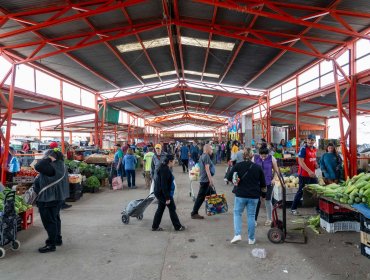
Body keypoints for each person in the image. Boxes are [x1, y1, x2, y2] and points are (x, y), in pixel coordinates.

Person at [227, 148, 266, 245]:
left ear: (243, 156)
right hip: (254, 196)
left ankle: (237, 235)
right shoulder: (258, 167)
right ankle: (251, 239)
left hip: (241, 195)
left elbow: (228, 177)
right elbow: (263, 184)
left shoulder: (237, 166)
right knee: (251, 216)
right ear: (253, 156)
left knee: (237, 213)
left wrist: (235, 180)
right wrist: (263, 195)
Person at [34, 149, 69, 253]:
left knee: (49, 221)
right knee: (55, 218)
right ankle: (57, 239)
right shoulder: (61, 165)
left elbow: (38, 166)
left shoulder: (52, 167)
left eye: (46, 156)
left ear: (51, 157)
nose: (43, 157)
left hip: (49, 198)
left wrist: (48, 159)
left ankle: (51, 244)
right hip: (57, 197)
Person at [152, 154, 185, 231]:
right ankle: (178, 226)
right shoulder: (165, 170)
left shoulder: (164, 167)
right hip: (162, 193)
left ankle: (155, 226)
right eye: (174, 161)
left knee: (160, 209)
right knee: (172, 208)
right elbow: (164, 185)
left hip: (160, 192)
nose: (175, 162)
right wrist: (167, 198)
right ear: (170, 161)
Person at [291, 134, 318, 215]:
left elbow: (313, 159)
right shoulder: (303, 149)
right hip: (304, 174)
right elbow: (301, 162)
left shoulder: (314, 149)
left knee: (317, 189)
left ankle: (318, 208)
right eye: (309, 139)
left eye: (312, 139)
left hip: (312, 174)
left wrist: (316, 164)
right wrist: (309, 171)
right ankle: (293, 208)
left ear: (314, 141)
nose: (310, 141)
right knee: (301, 191)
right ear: (307, 140)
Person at [253, 145, 279, 226]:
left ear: (268, 154)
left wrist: (274, 179)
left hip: (268, 183)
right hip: (257, 183)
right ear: (259, 154)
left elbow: (276, 170)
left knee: (268, 201)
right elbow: (251, 170)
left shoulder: (272, 158)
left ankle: (269, 219)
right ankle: (254, 220)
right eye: (262, 156)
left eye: (265, 156)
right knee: (256, 201)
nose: (263, 158)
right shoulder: (255, 158)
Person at [191, 144, 215, 219]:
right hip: (205, 181)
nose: (212, 150)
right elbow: (207, 169)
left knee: (212, 193)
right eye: (211, 149)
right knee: (200, 198)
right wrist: (210, 180)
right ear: (207, 149)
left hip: (203, 179)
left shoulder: (202, 156)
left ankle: (215, 208)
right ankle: (194, 213)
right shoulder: (206, 156)